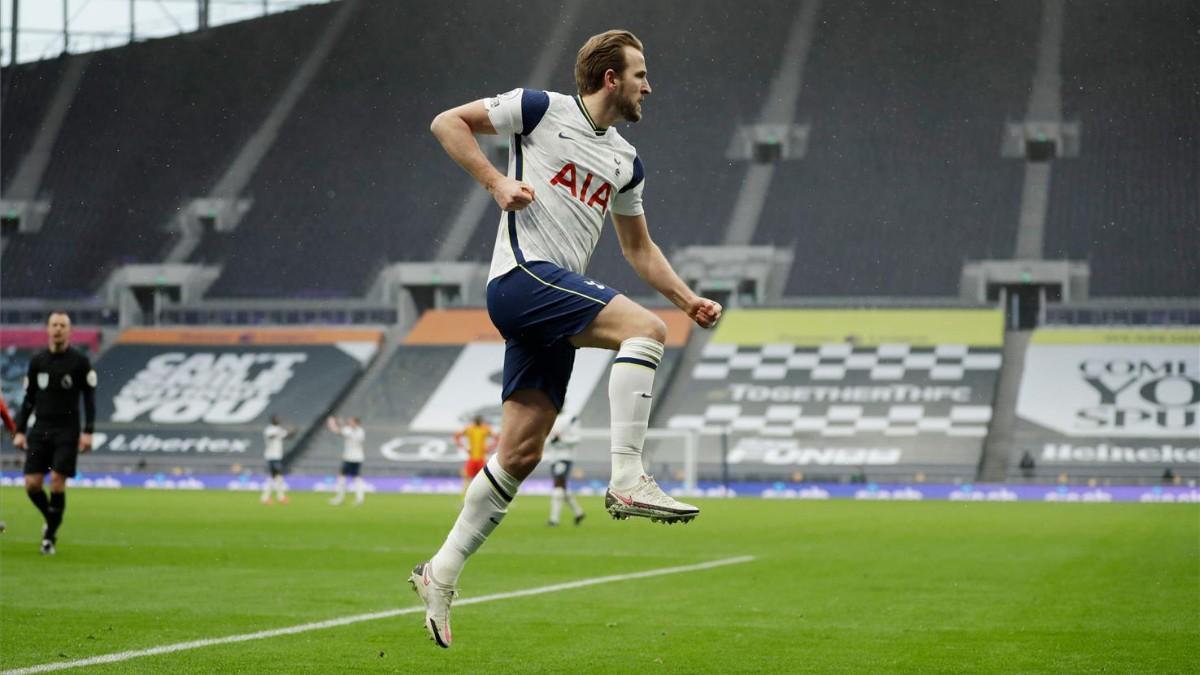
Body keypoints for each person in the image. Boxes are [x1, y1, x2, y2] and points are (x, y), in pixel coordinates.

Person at [410, 29, 722, 648]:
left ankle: (439, 573)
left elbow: (638, 249)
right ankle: (628, 477)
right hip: (521, 278)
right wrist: (497, 184)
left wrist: (688, 299)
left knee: (521, 454)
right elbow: (448, 123)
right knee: (646, 330)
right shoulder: (539, 108)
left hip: (549, 303)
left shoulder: (626, 161)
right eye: (640, 75)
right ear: (611, 78)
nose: (647, 86)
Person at [13, 311, 97, 555]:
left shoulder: (80, 362)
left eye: (63, 325)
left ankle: (48, 538)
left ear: (69, 331)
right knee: (32, 484)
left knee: (58, 481)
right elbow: (28, 399)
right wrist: (19, 430)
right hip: (40, 429)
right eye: (54, 325)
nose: (58, 329)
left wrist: (88, 431)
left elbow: (89, 399)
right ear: (47, 330)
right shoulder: (37, 361)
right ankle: (51, 519)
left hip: (67, 430)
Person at [545, 413, 585, 527]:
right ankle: (579, 513)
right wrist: (551, 440)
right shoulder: (549, 417)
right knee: (562, 488)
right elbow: (545, 438)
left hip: (565, 457)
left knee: (558, 487)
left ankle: (554, 520)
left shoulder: (571, 419)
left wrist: (562, 439)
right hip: (553, 458)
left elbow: (577, 438)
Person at [326, 415, 367, 505]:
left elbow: (339, 431)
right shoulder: (350, 429)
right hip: (350, 457)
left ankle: (349, 498)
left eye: (352, 421)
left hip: (354, 458)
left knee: (351, 478)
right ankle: (347, 498)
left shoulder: (359, 431)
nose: (350, 422)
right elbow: (339, 430)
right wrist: (334, 423)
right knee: (345, 477)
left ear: (356, 423)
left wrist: (333, 423)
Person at [453, 415, 496, 495]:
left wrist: (490, 447)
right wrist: (464, 447)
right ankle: (465, 500)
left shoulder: (485, 429)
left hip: (481, 458)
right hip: (472, 458)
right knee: (467, 479)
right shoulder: (469, 429)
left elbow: (496, 437)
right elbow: (457, 436)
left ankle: (487, 498)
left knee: (485, 479)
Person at [261, 415, 290, 504]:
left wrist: (293, 432)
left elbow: (287, 436)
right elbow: (271, 436)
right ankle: (279, 497)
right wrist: (279, 433)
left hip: (277, 456)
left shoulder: (279, 428)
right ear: (272, 420)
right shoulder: (269, 429)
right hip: (271, 456)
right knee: (278, 476)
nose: (278, 420)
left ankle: (267, 498)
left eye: (279, 418)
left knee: (275, 477)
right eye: (276, 419)